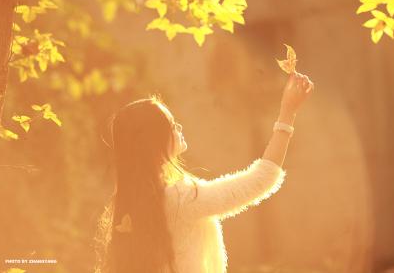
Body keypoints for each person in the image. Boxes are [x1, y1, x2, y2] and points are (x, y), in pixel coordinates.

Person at [93, 72, 314, 273]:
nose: (178, 127)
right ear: (153, 142)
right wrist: (288, 112)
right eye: (170, 124)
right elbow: (261, 178)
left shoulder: (136, 201)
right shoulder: (179, 199)